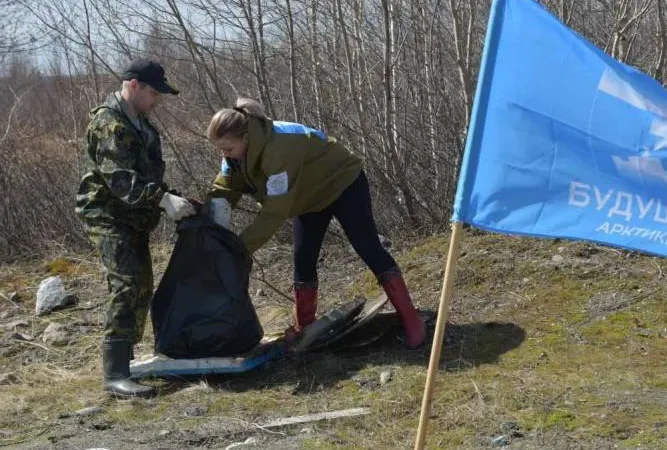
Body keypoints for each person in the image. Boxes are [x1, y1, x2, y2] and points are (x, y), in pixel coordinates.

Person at [204, 98, 426, 349]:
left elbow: (274, 212)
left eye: (227, 148)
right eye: (220, 149)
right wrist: (203, 214)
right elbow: (225, 188)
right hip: (309, 197)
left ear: (245, 137)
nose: (224, 154)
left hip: (342, 183)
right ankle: (305, 328)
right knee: (303, 258)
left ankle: (411, 319)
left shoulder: (278, 148)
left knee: (368, 247)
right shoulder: (235, 155)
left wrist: (239, 248)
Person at [75, 59, 197, 398]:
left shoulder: (142, 125)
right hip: (107, 214)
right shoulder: (109, 124)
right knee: (127, 282)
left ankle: (126, 361)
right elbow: (120, 180)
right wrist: (162, 200)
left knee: (142, 284)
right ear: (134, 85)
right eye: (153, 92)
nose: (157, 100)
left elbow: (148, 176)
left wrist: (172, 197)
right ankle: (114, 375)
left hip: (134, 216)